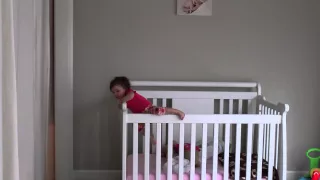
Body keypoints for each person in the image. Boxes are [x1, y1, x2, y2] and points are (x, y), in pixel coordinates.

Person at [110, 76, 185, 144]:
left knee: (159, 110)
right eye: (113, 92)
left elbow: (130, 96)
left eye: (117, 91)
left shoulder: (129, 93)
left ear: (125, 89)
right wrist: (120, 105)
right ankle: (151, 137)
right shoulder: (123, 100)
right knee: (139, 128)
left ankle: (177, 112)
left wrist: (121, 101)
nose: (115, 94)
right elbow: (121, 107)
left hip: (148, 108)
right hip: (140, 115)